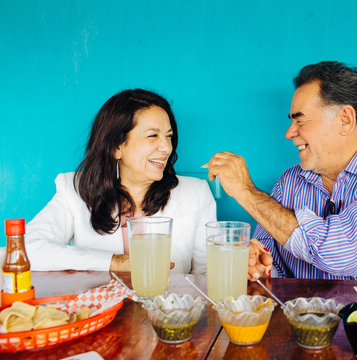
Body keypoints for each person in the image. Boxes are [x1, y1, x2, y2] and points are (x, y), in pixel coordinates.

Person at [208, 61, 357, 281]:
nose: (289, 133)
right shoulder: (289, 182)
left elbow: (341, 253)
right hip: (301, 313)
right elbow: (268, 264)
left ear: (345, 120)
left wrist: (246, 191)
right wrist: (257, 265)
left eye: (299, 119)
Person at [8, 89, 216, 273]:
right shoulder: (75, 190)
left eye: (169, 137)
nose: (166, 148)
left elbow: (208, 275)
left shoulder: (196, 193)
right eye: (153, 136)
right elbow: (28, 250)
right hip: (103, 314)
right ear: (117, 147)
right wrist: (115, 262)